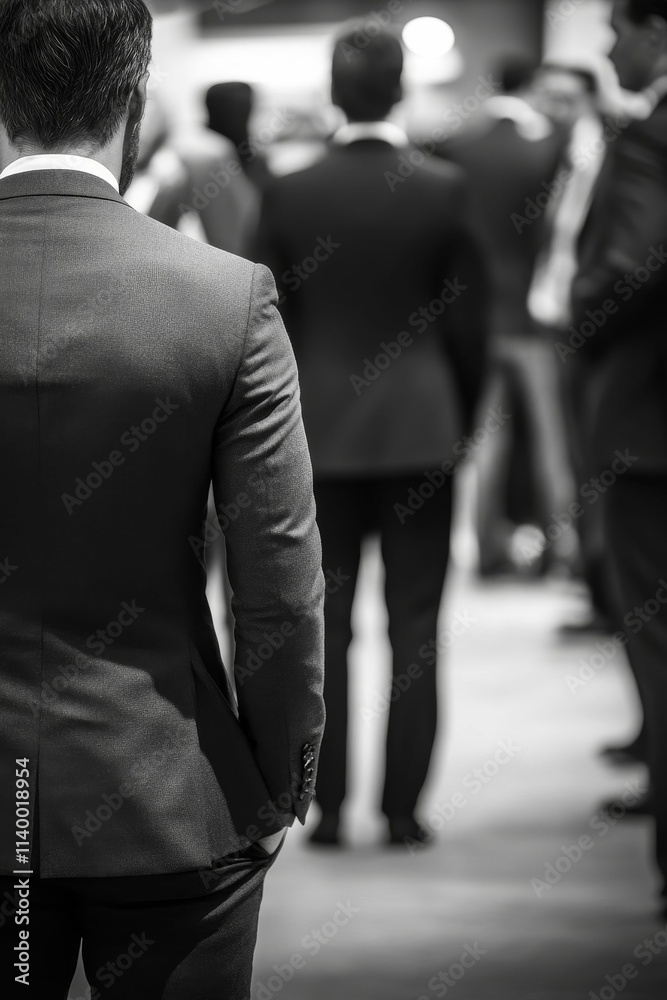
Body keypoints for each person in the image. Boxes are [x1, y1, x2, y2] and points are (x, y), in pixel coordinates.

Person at [0, 2, 325, 998]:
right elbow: (277, 581)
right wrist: (278, 778)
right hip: (170, 792)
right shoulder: (225, 298)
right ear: (136, 101)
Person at [256, 23, 487, 848]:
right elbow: (469, 325)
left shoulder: (288, 192)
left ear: (332, 89)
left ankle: (323, 808)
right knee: (417, 625)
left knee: (324, 628)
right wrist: (460, 414)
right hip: (421, 427)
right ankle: (402, 810)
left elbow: (267, 326)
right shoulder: (442, 188)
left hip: (317, 434)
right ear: (399, 90)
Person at [570, 0, 667, 915]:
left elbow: (631, 266)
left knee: (658, 642)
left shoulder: (647, 140)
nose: (605, 47)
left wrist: (580, 323)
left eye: (616, 28)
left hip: (648, 431)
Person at [436, 60, 572, 577]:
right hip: (535, 317)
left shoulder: (458, 145)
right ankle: (565, 550)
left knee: (487, 441)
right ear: (532, 86)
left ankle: (486, 547)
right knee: (552, 439)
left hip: (476, 316)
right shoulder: (549, 146)